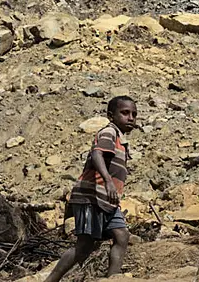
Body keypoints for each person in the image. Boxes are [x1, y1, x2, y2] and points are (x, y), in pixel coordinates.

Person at [45, 97, 137, 282]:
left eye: (134, 114)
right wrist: (108, 181)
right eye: (125, 113)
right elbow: (97, 154)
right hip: (91, 197)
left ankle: (112, 278)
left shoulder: (120, 139)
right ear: (111, 116)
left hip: (108, 201)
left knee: (122, 236)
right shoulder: (108, 132)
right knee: (85, 245)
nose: (131, 118)